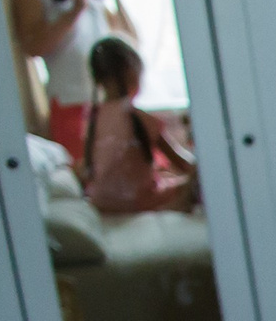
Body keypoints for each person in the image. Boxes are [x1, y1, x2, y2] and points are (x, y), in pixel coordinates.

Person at [11, 0, 131, 166]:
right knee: (84, 172)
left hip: (107, 102)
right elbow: (34, 47)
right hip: (70, 103)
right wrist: (76, 9)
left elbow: (129, 41)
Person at [80, 36, 196, 216]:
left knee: (165, 175)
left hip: (102, 204)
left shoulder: (91, 120)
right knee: (195, 179)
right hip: (137, 204)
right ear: (132, 72)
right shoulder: (138, 118)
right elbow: (182, 165)